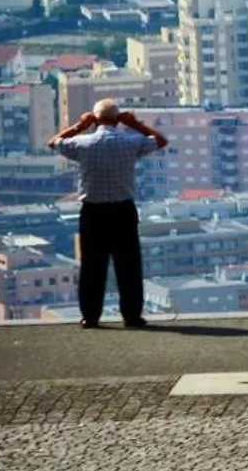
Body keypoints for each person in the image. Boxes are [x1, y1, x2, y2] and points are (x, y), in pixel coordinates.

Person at [48, 99, 167, 329]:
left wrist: (80, 126)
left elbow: (54, 142)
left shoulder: (83, 144)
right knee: (128, 266)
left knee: (92, 266)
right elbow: (160, 141)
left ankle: (90, 317)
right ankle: (132, 317)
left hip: (93, 212)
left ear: (95, 119)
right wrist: (135, 124)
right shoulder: (130, 142)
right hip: (123, 210)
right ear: (118, 118)